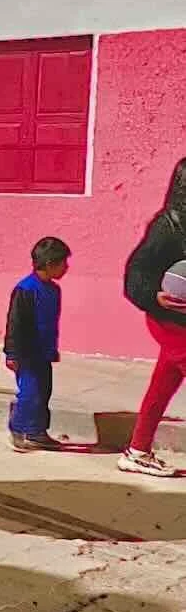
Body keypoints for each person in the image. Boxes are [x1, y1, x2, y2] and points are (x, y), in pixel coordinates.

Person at [119, 157, 186, 476]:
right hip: (168, 322)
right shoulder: (167, 226)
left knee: (162, 385)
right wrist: (154, 297)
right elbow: (136, 273)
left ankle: (137, 451)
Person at [3, 236, 71, 453]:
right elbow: (15, 323)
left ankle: (38, 432)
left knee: (44, 392)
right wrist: (12, 353)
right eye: (63, 263)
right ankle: (20, 430)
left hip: (43, 353)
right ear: (50, 264)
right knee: (29, 393)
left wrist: (52, 348)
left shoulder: (53, 290)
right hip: (26, 354)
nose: (66, 268)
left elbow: (50, 322)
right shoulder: (26, 289)